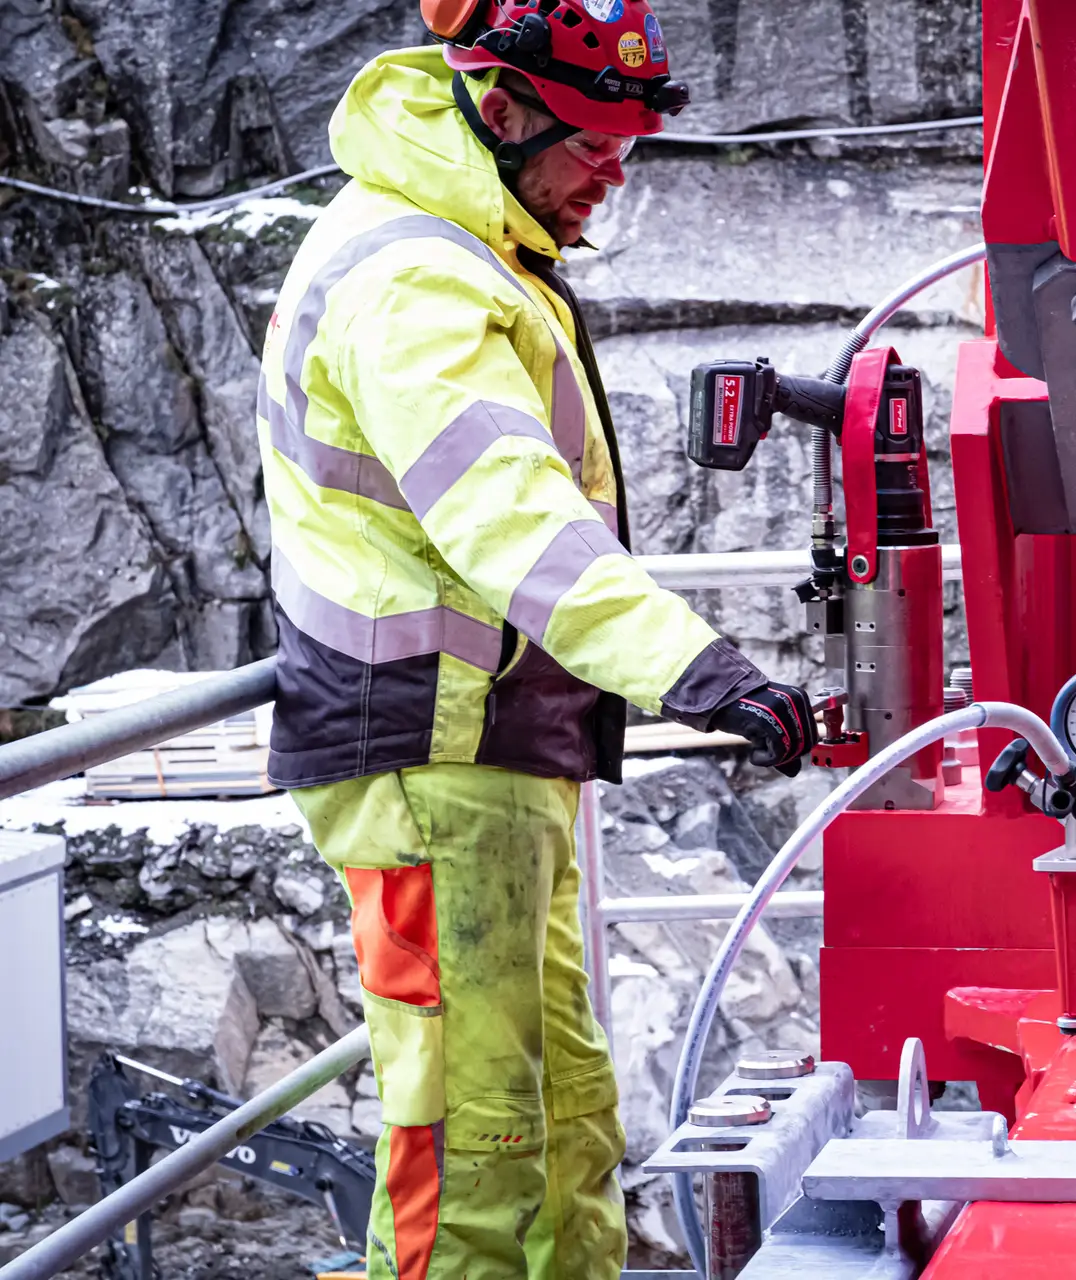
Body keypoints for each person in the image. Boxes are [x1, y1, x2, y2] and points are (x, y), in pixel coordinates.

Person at [254, 2, 815, 1275]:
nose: (610, 180)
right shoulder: (416, 279)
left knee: (561, 1116)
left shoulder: (468, 247)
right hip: (429, 759)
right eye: (595, 148)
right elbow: (512, 521)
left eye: (626, 147)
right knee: (476, 1141)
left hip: (493, 755)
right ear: (500, 114)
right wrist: (701, 672)